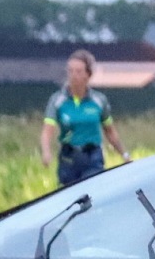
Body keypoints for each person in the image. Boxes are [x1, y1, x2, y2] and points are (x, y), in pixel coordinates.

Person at [40, 48, 129, 187]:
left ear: (88, 74)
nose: (73, 75)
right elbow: (47, 131)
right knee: (69, 198)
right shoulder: (58, 100)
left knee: (92, 193)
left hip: (92, 156)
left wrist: (124, 155)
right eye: (70, 71)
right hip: (68, 157)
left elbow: (110, 131)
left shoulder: (99, 100)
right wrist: (46, 152)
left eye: (78, 71)